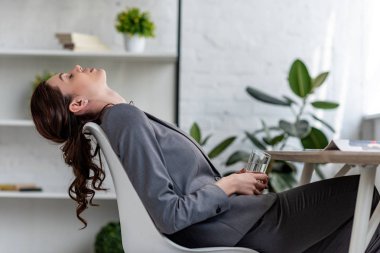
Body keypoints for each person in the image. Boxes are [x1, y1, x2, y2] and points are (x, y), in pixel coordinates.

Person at [30, 65, 380, 253]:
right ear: (76, 104)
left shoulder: (122, 119)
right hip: (250, 229)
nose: (76, 67)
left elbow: (177, 191)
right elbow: (168, 214)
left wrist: (233, 184)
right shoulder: (123, 118)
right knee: (367, 200)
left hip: (241, 224)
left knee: (362, 220)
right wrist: (228, 185)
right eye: (68, 77)